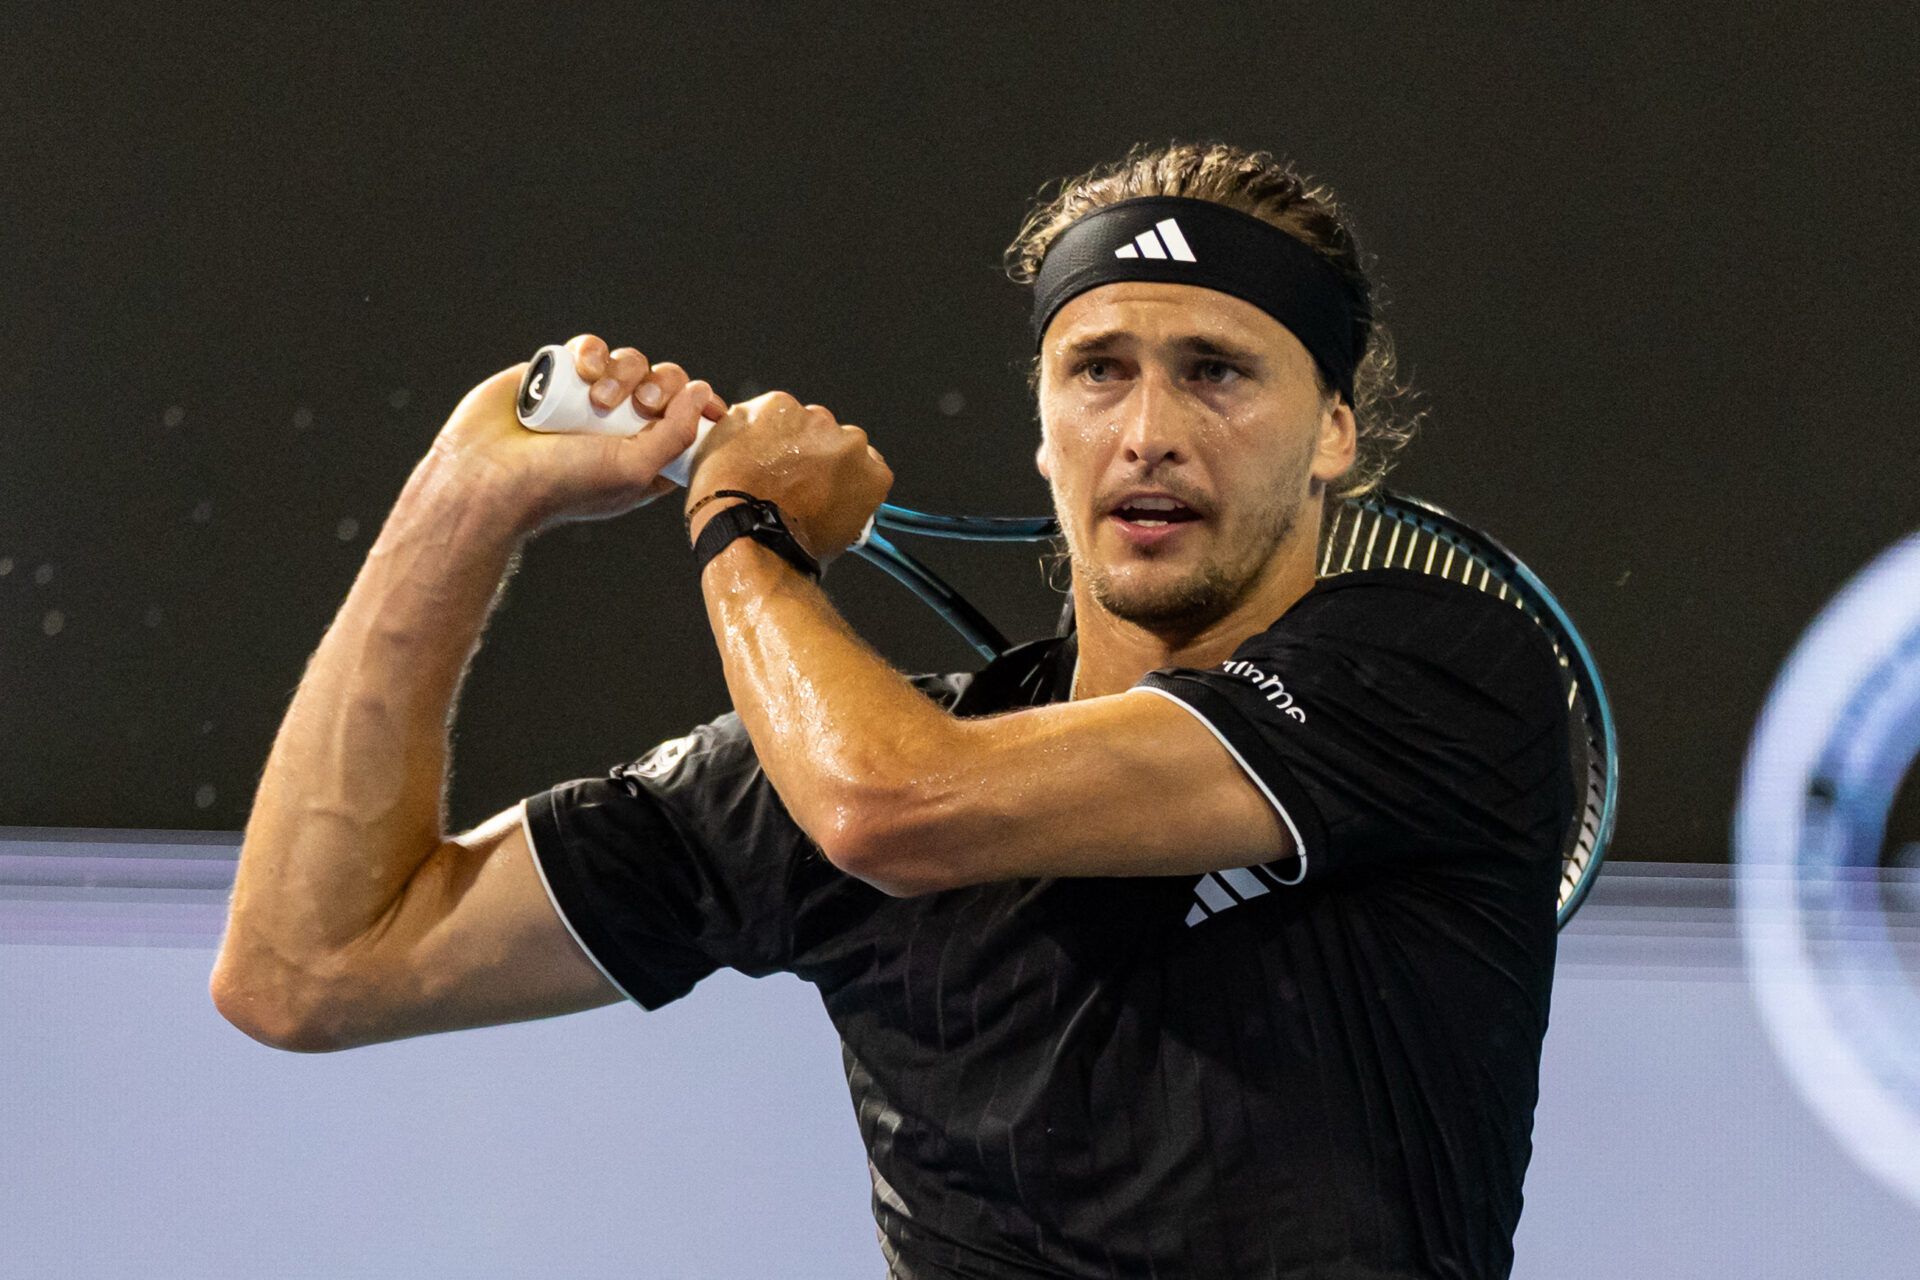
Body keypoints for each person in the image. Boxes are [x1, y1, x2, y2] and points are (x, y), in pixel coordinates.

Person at [212, 141, 1572, 1279]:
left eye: (1217, 370)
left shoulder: (1440, 673)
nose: (1147, 430)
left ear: (1334, 428)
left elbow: (892, 806)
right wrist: (461, 502)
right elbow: (307, 969)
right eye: (1098, 369)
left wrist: (741, 528)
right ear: (1043, 427)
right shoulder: (806, 778)